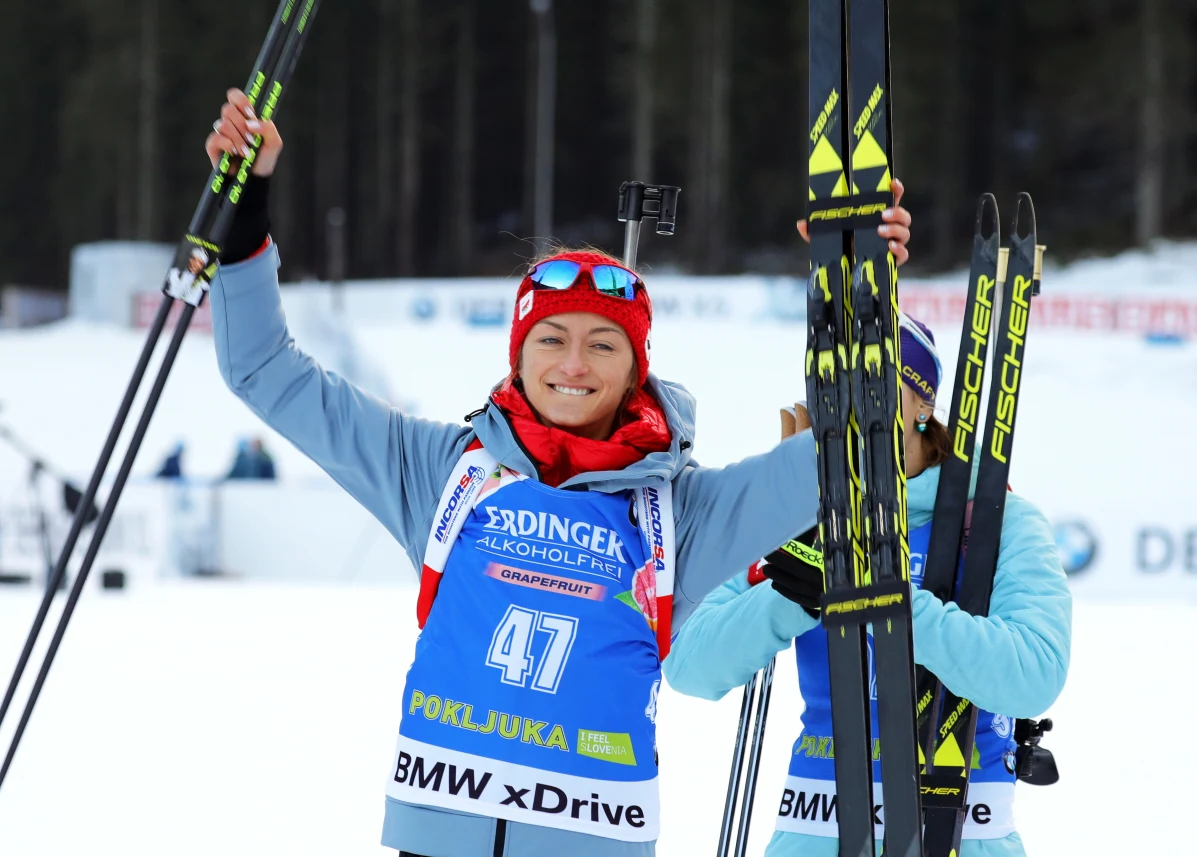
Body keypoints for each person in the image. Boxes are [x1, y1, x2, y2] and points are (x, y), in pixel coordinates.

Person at [203, 87, 913, 857]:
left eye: (603, 345)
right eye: (551, 340)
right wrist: (242, 213)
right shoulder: (444, 470)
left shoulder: (684, 512)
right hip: (437, 834)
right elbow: (263, 370)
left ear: (636, 368)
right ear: (519, 354)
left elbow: (846, 456)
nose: (573, 365)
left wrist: (855, 293)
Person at [662, 315, 1073, 857]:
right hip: (816, 829)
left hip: (959, 827)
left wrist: (877, 595)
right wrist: (794, 593)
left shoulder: (997, 517)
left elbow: (1032, 674)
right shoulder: (790, 506)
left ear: (923, 405)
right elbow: (690, 667)